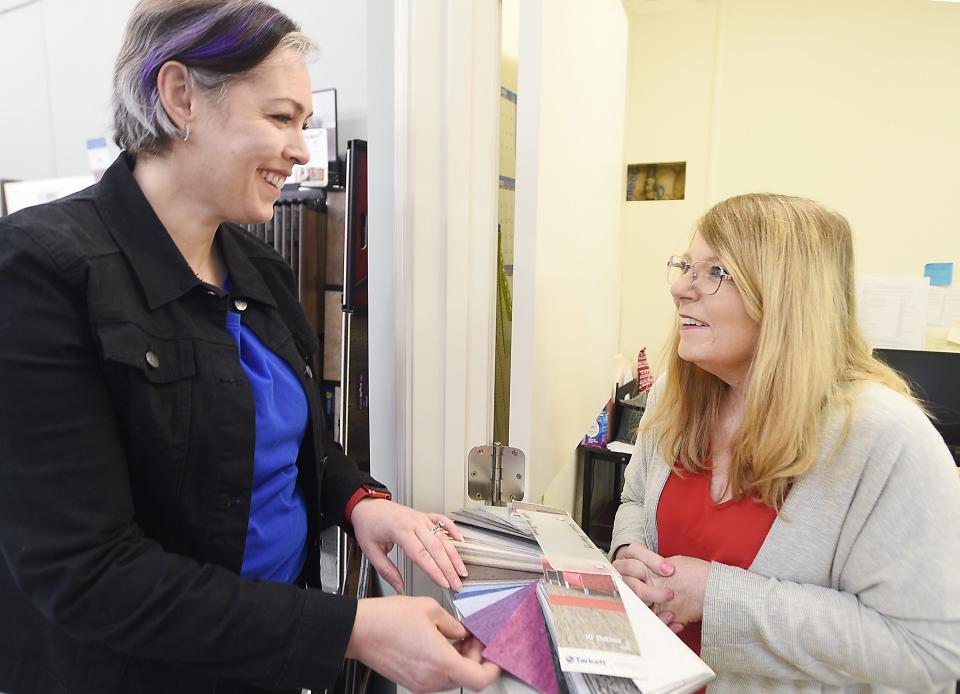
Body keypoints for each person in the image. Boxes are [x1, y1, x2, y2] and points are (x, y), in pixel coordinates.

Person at [0, 2, 499, 693]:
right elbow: (88, 573)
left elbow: (296, 444)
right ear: (180, 98)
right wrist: (349, 629)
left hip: (265, 660)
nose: (299, 148)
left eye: (303, 123)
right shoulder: (43, 271)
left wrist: (360, 503)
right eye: (280, 118)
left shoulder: (255, 264)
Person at [611, 193, 960, 693]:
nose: (679, 288)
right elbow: (633, 501)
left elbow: (926, 653)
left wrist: (716, 597)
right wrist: (630, 551)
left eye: (714, 272)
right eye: (685, 265)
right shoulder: (676, 394)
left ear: (785, 296)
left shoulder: (886, 438)